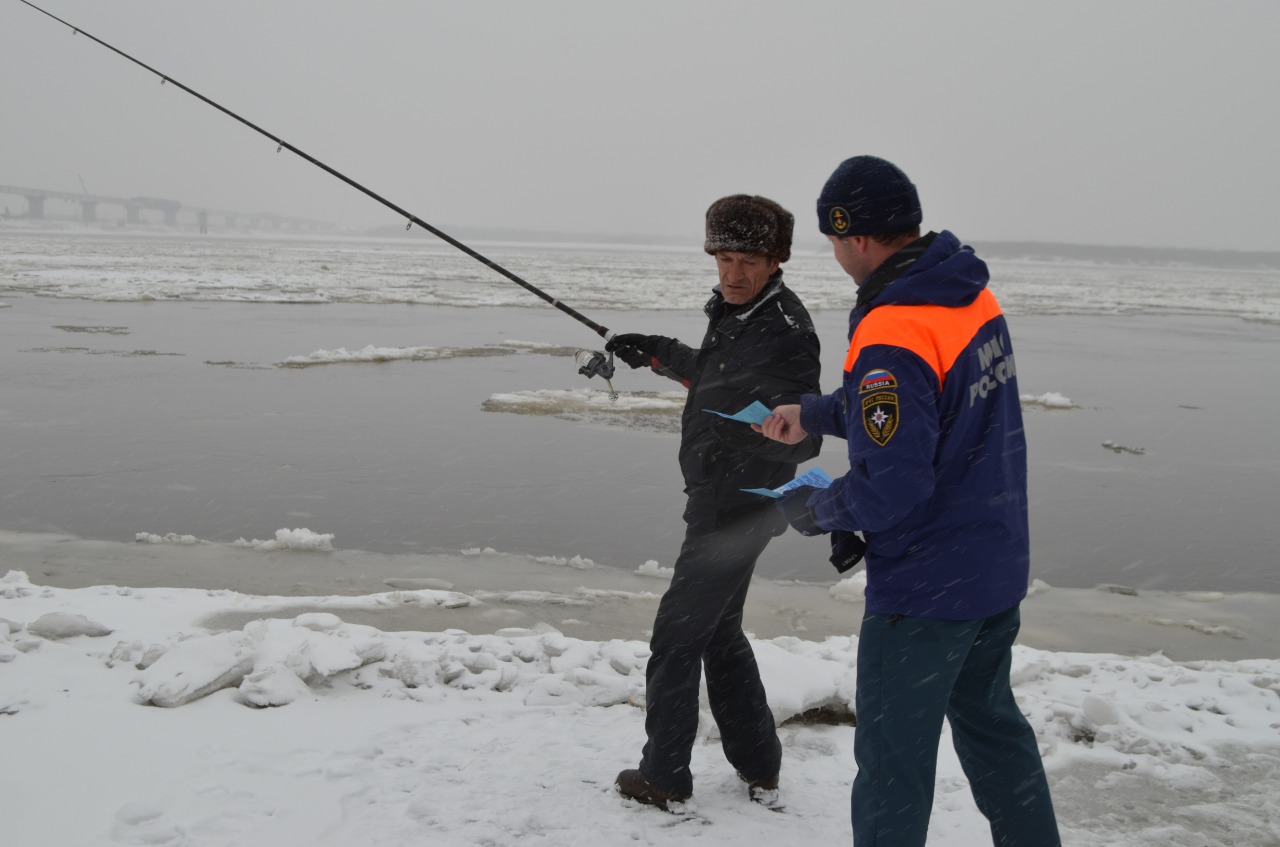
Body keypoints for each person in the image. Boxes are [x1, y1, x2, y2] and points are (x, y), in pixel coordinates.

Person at [755, 156, 1061, 846]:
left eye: (833, 243)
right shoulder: (963, 294)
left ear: (856, 237)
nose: (834, 257)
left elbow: (893, 484)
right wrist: (813, 412)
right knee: (995, 733)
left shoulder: (895, 328)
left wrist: (820, 508)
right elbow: (922, 408)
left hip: (926, 591)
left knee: (894, 763)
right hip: (991, 566)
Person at [606, 194, 822, 810]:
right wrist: (653, 351)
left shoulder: (786, 332)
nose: (732, 273)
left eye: (747, 259)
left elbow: (805, 435)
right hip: (725, 502)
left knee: (676, 640)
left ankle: (664, 777)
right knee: (721, 634)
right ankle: (760, 765)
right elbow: (716, 373)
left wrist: (737, 442)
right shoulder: (743, 311)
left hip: (735, 511)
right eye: (723, 257)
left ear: (776, 258)